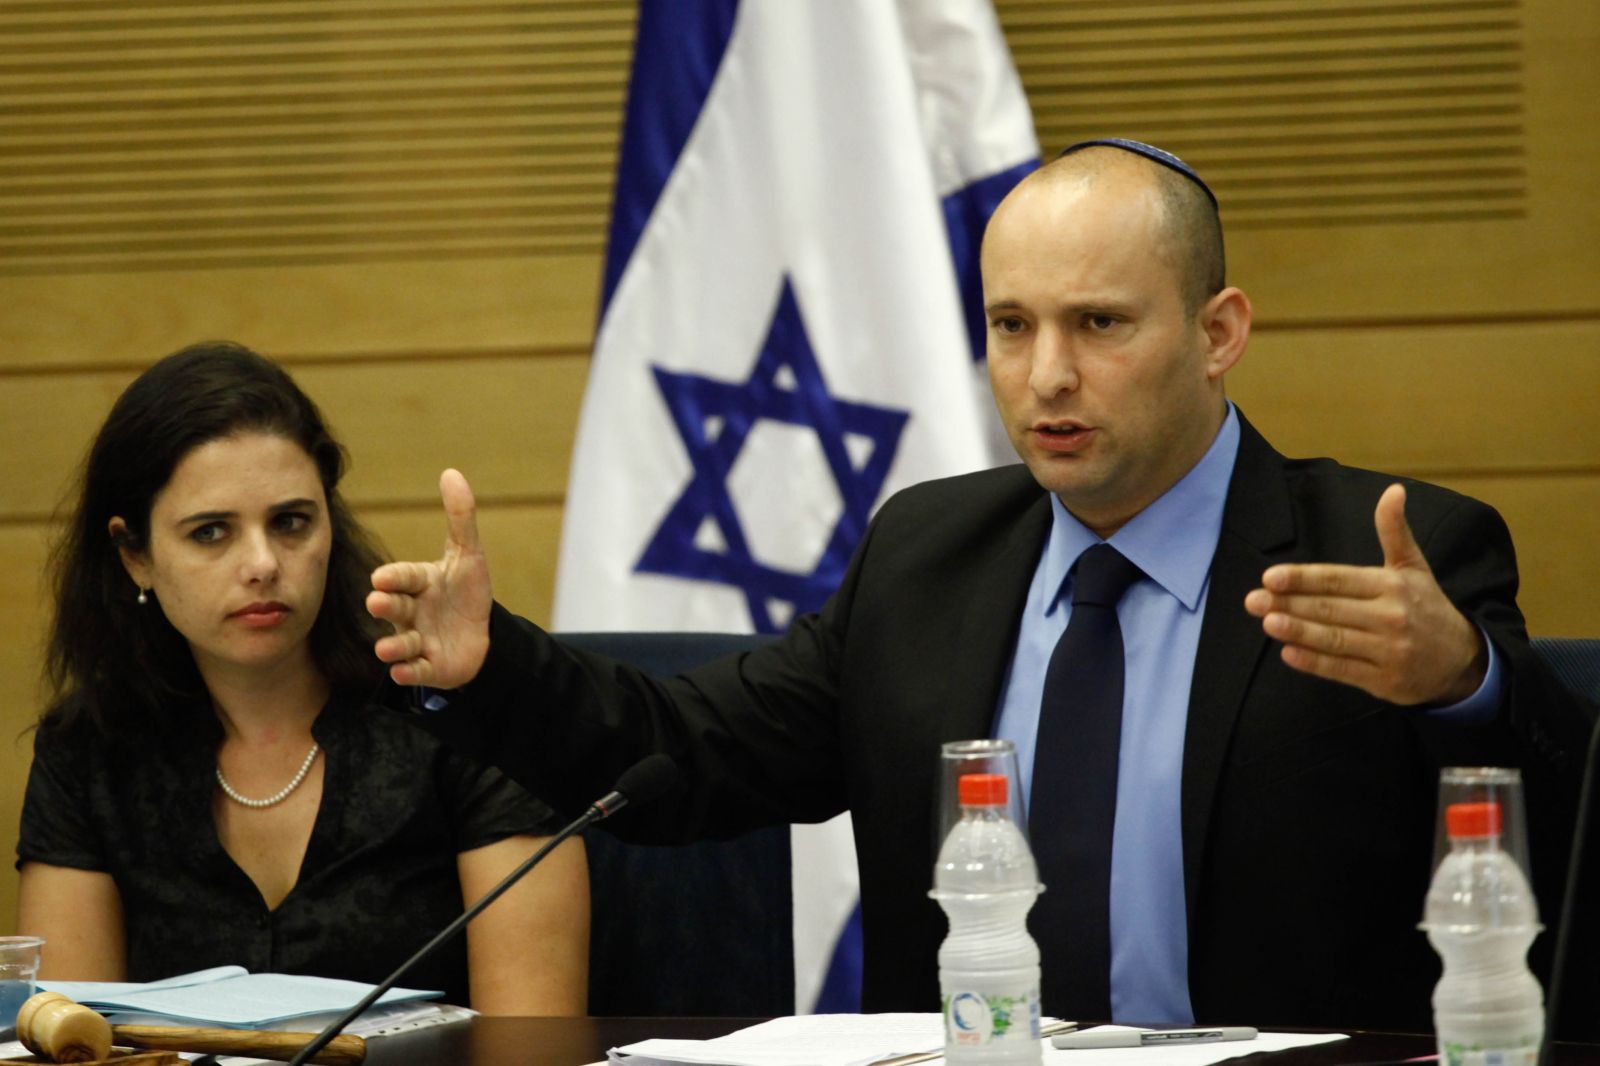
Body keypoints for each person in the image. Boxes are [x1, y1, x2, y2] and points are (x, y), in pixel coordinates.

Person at [365, 143, 1593, 1028]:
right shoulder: (926, 555)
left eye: (1099, 324)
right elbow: (687, 752)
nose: (1046, 375)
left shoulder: (1384, 552)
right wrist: (493, 669)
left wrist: (1466, 683)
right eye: (1011, 325)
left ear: (1218, 332)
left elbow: (1571, 827)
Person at [15, 342, 589, 1014]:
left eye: (290, 523)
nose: (262, 563)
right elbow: (75, 1043)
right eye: (211, 533)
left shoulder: (461, 716)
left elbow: (531, 1040)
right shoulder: (89, 750)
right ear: (134, 554)